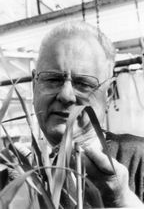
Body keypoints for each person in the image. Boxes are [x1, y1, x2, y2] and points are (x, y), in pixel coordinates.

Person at [0, 21, 144, 208]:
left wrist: (121, 200)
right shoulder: (10, 174)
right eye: (53, 79)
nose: (66, 95)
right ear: (34, 85)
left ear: (108, 93)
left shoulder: (138, 158)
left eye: (83, 83)